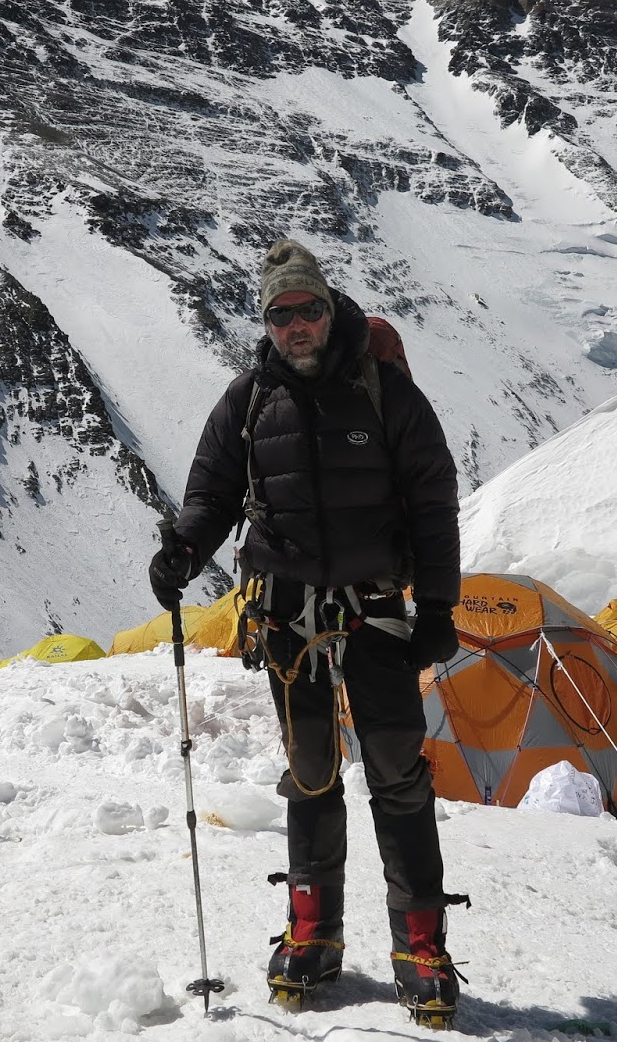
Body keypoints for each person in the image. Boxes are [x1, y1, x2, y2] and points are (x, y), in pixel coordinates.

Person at [149, 239, 464, 1019]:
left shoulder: (385, 392)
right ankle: (313, 929)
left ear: (330, 309)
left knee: (397, 774)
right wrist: (186, 547)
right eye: (280, 314)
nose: (296, 325)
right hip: (290, 618)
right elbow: (212, 490)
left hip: (377, 613)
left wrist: (441, 608)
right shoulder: (250, 401)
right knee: (312, 775)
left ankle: (421, 945)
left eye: (308, 309)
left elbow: (433, 500)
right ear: (266, 322)